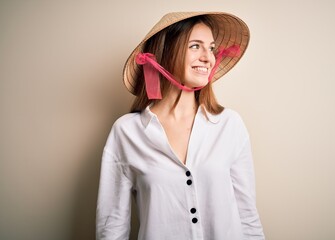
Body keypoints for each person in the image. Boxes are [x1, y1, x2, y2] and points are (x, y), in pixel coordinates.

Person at [96, 12, 265, 240]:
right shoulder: (127, 132)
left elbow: (247, 216)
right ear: (164, 54)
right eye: (195, 46)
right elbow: (112, 226)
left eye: (211, 48)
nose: (209, 57)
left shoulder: (229, 124)